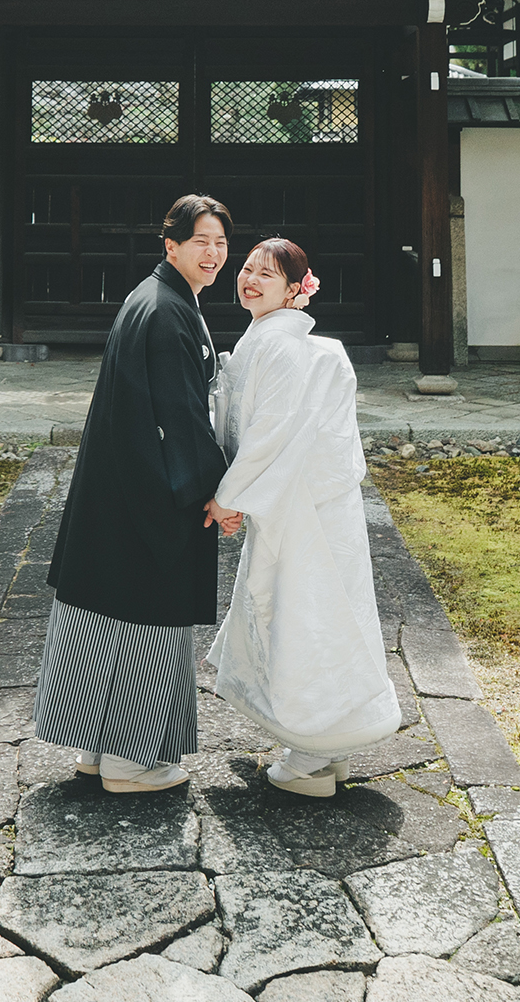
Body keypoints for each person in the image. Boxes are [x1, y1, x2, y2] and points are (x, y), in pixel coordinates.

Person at [35, 193, 241, 793]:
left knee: (106, 613)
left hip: (120, 483)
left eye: (221, 243)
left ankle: (96, 749)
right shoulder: (170, 311)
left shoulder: (153, 300)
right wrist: (210, 489)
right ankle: (135, 761)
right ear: (170, 244)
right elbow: (181, 415)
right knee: (147, 618)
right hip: (151, 491)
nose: (213, 253)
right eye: (201, 241)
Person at [209, 237, 401, 797]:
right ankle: (328, 749)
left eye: (266, 274)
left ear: (296, 289)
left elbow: (272, 433)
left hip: (303, 507)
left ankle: (311, 758)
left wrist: (230, 496)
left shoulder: (283, 347)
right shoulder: (277, 340)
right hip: (308, 503)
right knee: (322, 610)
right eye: (247, 269)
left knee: (301, 616)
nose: (250, 279)